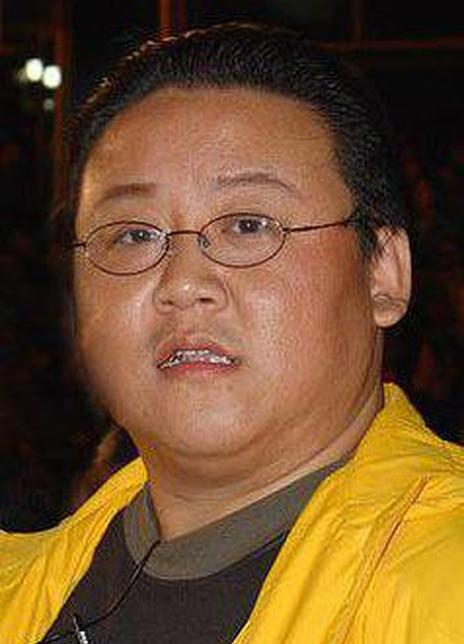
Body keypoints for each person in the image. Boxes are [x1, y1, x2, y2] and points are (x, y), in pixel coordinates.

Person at [1, 23, 463, 644]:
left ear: (383, 271)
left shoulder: (441, 576)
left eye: (248, 224)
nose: (183, 282)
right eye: (133, 235)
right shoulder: (19, 592)